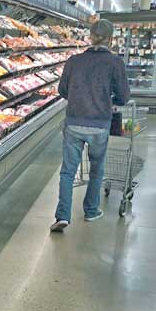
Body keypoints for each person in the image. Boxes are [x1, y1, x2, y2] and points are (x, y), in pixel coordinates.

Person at [50, 19, 130, 232]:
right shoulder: (115, 63)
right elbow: (123, 96)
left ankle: (63, 216)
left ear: (90, 37)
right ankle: (91, 210)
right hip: (99, 124)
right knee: (96, 170)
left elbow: (62, 90)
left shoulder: (74, 61)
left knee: (68, 172)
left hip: (74, 122)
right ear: (111, 39)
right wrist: (108, 99)